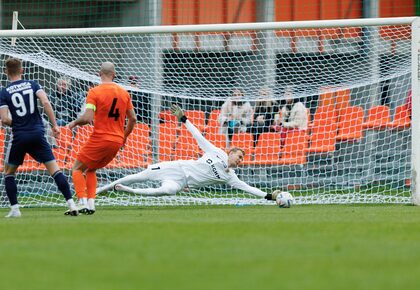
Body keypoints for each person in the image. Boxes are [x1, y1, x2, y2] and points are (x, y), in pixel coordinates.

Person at [96, 104, 281, 203]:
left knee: (167, 191)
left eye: (242, 159)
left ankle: (130, 192)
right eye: (239, 156)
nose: (240, 160)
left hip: (180, 182)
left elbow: (249, 188)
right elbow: (198, 136)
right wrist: (184, 119)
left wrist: (268, 196)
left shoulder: (231, 178)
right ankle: (99, 191)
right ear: (230, 152)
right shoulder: (217, 152)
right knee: (136, 176)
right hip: (175, 167)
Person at [0, 57, 78, 217]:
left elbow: (5, 119)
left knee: (9, 173)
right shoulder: (32, 84)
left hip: (20, 136)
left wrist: (20, 123)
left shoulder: (4, 92)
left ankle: (15, 209)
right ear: (22, 70)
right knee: (55, 170)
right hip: (38, 133)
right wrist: (55, 125)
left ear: (6, 72)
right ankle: (72, 204)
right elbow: (46, 102)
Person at [68, 61, 136, 214]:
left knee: (77, 169)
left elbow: (87, 118)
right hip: (117, 140)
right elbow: (133, 119)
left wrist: (74, 122)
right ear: (115, 75)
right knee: (91, 169)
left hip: (100, 138)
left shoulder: (94, 92)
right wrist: (124, 137)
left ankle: (82, 202)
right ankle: (91, 204)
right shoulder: (124, 93)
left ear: (99, 74)